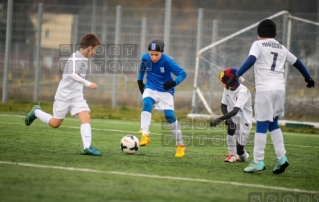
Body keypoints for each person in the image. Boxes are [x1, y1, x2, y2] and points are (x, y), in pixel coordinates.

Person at [226, 19, 315, 174]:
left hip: (265, 90)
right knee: (274, 123)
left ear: (259, 33)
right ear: (274, 34)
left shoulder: (258, 44)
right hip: (280, 90)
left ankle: (258, 160)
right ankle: (282, 157)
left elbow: (251, 60)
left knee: (261, 123)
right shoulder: (281, 47)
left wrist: (237, 75)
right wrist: (308, 77)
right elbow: (297, 62)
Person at [25, 33, 102, 156]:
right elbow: (71, 73)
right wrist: (88, 83)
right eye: (96, 50)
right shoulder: (75, 58)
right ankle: (36, 112)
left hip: (76, 96)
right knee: (56, 123)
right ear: (90, 48)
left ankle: (87, 147)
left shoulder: (84, 59)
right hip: (64, 95)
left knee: (85, 117)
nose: (95, 53)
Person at [137, 38, 187, 157]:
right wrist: (139, 81)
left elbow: (183, 73)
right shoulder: (145, 58)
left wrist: (174, 83)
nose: (153, 57)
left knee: (169, 116)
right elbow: (141, 70)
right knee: (147, 103)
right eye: (152, 54)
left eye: (156, 55)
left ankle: (180, 145)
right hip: (150, 87)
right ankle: (145, 134)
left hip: (166, 91)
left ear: (162, 53)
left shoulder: (167, 61)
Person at [210, 68, 252, 163]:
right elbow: (223, 105)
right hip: (233, 115)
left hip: (244, 120)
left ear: (231, 82)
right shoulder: (227, 88)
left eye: (223, 82)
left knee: (240, 151)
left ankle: (244, 154)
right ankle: (231, 155)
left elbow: (236, 110)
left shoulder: (243, 91)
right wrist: (228, 118)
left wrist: (219, 119)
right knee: (231, 127)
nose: (222, 84)